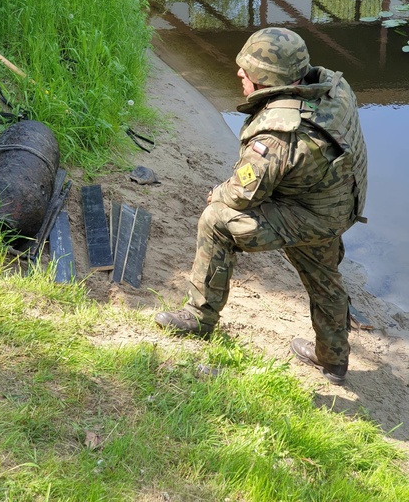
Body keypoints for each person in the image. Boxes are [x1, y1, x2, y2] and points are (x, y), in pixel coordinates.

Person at [155, 27, 368, 385]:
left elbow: (241, 193)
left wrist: (219, 193)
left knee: (215, 220)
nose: (239, 73)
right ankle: (333, 361)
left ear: (268, 80)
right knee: (322, 273)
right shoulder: (333, 87)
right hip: (337, 202)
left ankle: (198, 316)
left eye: (248, 70)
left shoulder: (276, 135)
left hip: (310, 211)